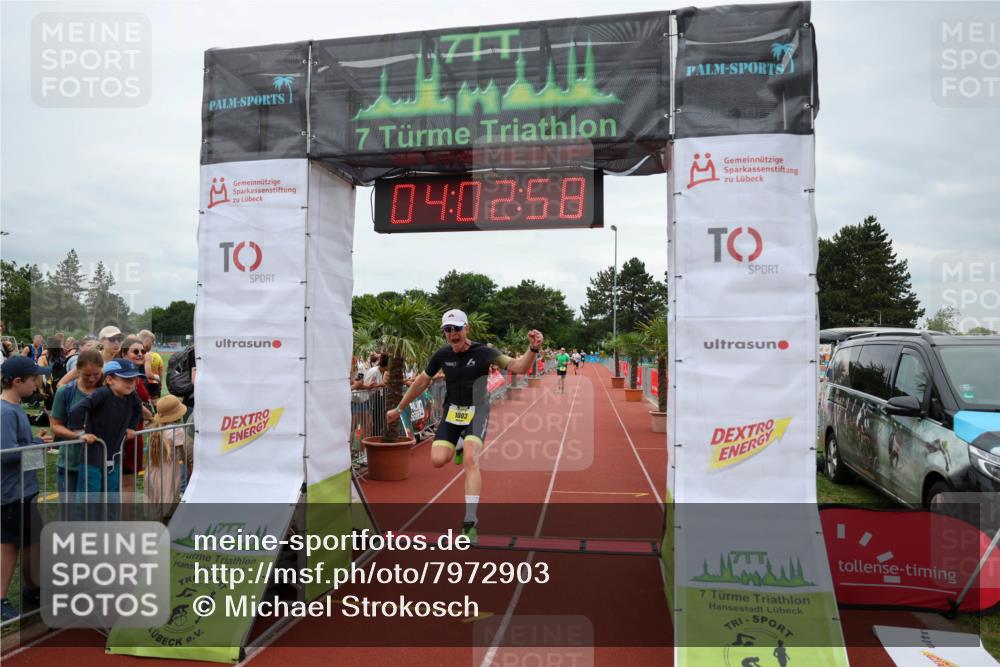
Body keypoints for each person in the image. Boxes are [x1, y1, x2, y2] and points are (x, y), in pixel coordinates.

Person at [387, 309, 543, 541]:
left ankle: (470, 521)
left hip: (477, 410)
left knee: (471, 460)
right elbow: (421, 381)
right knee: (438, 460)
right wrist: (399, 408)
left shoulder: (484, 352)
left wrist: (533, 349)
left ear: (466, 328)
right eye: (448, 330)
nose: (452, 334)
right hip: (452, 412)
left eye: (457, 329)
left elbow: (518, 367)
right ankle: (458, 445)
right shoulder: (441, 355)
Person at [1, 356, 52, 622]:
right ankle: (1, 600)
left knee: (32, 541)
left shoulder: (14, 408)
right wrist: (35, 447)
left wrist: (35, 440)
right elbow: (6, 453)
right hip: (13, 492)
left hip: (24, 489)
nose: (37, 385)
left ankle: (33, 588)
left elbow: (19, 443)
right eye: (34, 380)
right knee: (9, 545)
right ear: (18, 382)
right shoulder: (5, 412)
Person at [66, 359, 143, 495]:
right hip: (93, 456)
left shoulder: (132, 395)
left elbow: (138, 409)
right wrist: (80, 433)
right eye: (126, 379)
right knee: (91, 496)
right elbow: (77, 410)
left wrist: (131, 427)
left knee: (113, 494)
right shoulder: (101, 394)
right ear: (109, 380)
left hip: (115, 455)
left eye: (133, 379)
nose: (131, 383)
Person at [49, 348, 104, 495]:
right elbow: (55, 426)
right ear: (77, 371)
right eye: (87, 375)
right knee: (70, 514)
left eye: (96, 374)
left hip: (100, 463)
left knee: (96, 512)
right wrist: (78, 436)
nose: (92, 379)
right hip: (71, 464)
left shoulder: (108, 391)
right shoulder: (65, 392)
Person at [144, 395, 187, 520]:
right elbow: (182, 453)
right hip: (169, 468)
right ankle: (166, 519)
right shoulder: (177, 430)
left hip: (153, 467)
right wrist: (188, 467)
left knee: (156, 493)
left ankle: (156, 516)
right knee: (169, 492)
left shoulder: (155, 429)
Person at [137, 330, 163, 406]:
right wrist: (158, 379)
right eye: (152, 342)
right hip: (142, 384)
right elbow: (148, 374)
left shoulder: (132, 352)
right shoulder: (146, 354)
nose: (152, 344)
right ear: (147, 340)